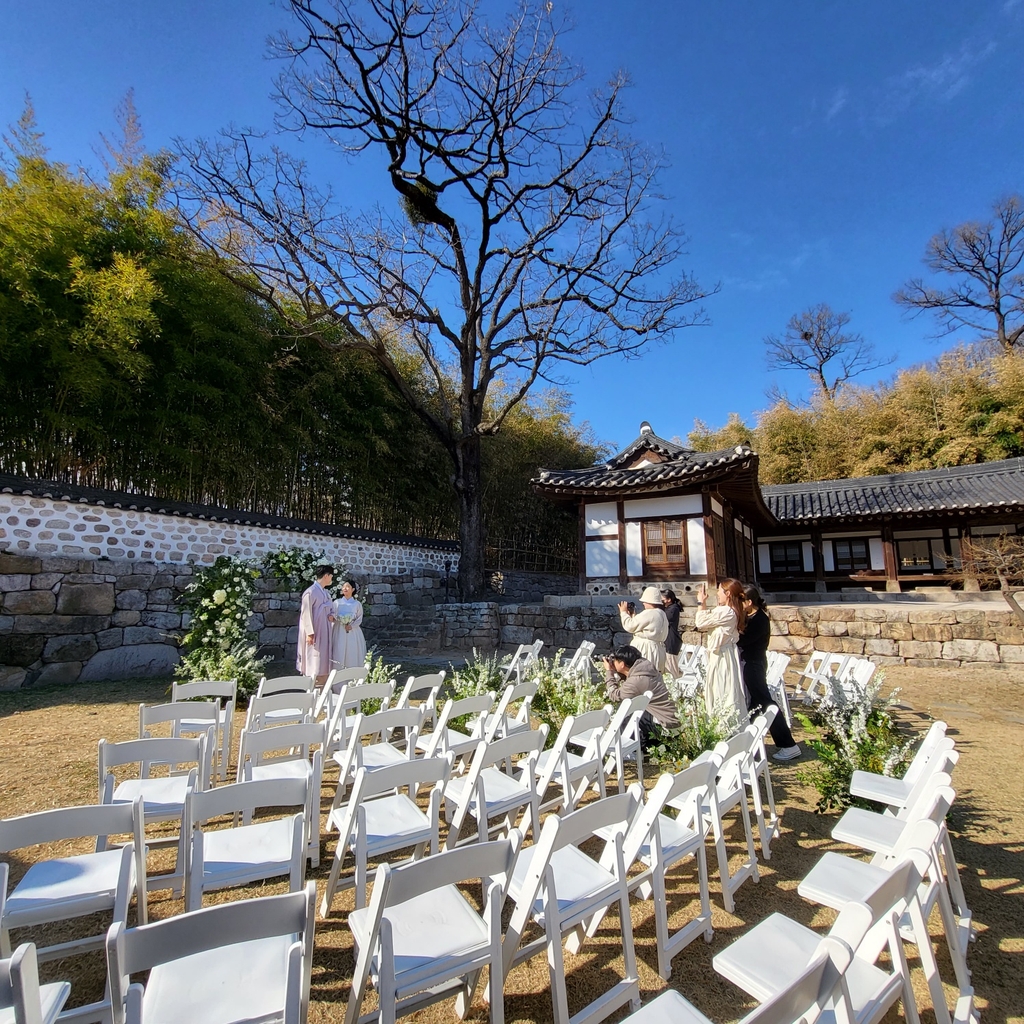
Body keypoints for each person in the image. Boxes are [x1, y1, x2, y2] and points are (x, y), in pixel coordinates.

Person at [738, 584, 801, 761]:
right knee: (754, 706)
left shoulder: (760, 620)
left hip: (754, 664)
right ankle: (747, 742)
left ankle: (788, 744)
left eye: (741, 600)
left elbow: (742, 640)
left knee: (765, 703)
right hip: (751, 663)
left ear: (749, 602)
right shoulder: (752, 616)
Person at [602, 644, 680, 750]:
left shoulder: (636, 681)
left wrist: (609, 672)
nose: (612, 662)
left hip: (664, 728)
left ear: (622, 664)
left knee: (626, 710)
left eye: (615, 660)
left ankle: (629, 747)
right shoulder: (647, 669)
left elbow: (614, 695)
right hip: (672, 722)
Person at [694, 578, 746, 724]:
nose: (717, 594)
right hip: (723, 654)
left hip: (722, 656)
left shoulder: (727, 611)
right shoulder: (730, 610)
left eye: (719, 591)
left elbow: (700, 622)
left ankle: (724, 726)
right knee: (724, 689)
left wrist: (701, 603)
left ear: (728, 593)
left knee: (721, 690)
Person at [297, 564, 334, 685]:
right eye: (331, 576)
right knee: (313, 655)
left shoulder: (326, 593)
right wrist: (310, 633)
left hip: (325, 628)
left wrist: (332, 615)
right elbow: (306, 613)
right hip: (315, 629)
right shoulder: (310, 592)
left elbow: (330, 607)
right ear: (326, 576)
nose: (331, 579)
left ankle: (323, 678)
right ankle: (313, 679)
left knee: (323, 654)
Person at [617, 586, 669, 673]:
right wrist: (632, 616)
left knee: (643, 674)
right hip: (657, 649)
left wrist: (623, 613)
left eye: (644, 602)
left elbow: (630, 626)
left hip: (646, 649)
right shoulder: (661, 613)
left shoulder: (649, 613)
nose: (643, 604)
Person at [331, 578, 367, 670]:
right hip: (339, 630)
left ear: (353, 589)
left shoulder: (357, 604)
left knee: (352, 652)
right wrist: (335, 619)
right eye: (343, 587)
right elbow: (333, 615)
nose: (345, 588)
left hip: (353, 632)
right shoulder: (337, 603)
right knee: (338, 650)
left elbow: (359, 618)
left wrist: (351, 626)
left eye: (347, 587)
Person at [661, 588, 683, 677]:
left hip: (671, 642)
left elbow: (664, 619)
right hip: (667, 641)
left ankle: (675, 686)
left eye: (662, 599)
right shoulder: (668, 608)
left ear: (668, 599)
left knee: (671, 668)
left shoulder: (673, 609)